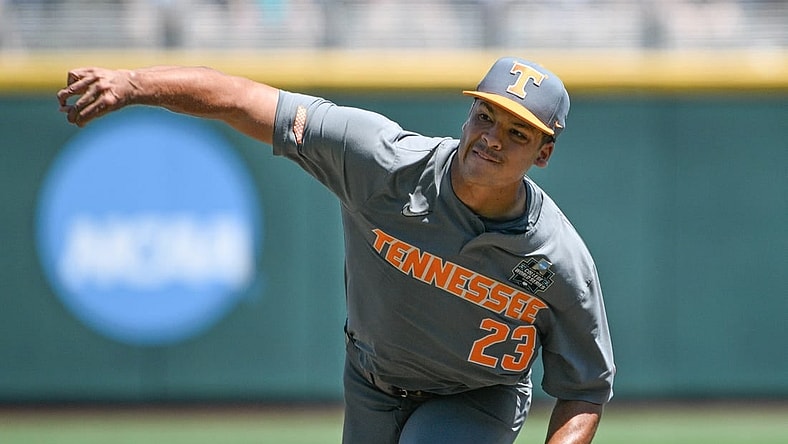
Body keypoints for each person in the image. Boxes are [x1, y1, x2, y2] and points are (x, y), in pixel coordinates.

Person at [57, 56, 615, 444]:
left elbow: (584, 389)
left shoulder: (557, 259)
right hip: (370, 380)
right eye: (485, 116)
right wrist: (133, 84)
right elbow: (245, 99)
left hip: (475, 396)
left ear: (544, 153)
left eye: (518, 133)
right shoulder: (382, 163)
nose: (491, 138)